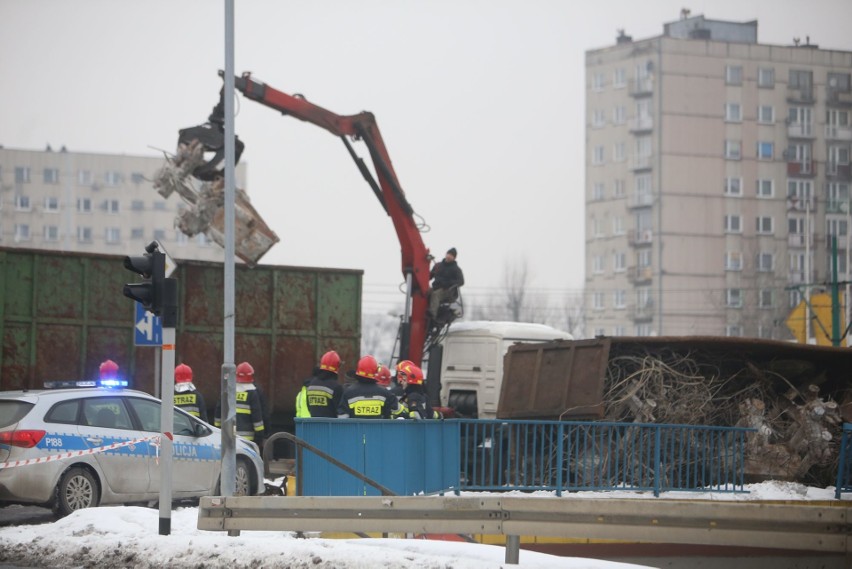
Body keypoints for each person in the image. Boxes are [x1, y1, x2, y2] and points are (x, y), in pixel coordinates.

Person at [215, 361, 268, 446]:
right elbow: (257, 417)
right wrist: (259, 437)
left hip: (229, 437)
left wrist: (217, 429)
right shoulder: (252, 393)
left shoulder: (228, 391)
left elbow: (218, 411)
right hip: (247, 440)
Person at [337, 355, 405, 419]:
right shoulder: (385, 393)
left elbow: (342, 418)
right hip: (379, 431)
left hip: (355, 431)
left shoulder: (348, 393)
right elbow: (399, 410)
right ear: (375, 371)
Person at [304, 350, 344, 418]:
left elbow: (309, 407)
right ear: (337, 367)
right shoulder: (336, 387)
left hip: (314, 426)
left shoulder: (311, 384)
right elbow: (340, 412)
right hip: (331, 427)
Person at [428, 247, 464, 319]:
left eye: (451, 255)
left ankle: (432, 314)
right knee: (425, 293)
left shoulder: (456, 269)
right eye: (448, 254)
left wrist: (448, 283)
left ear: (454, 257)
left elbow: (461, 281)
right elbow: (429, 276)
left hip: (448, 290)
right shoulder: (438, 265)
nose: (449, 256)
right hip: (436, 287)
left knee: (435, 295)